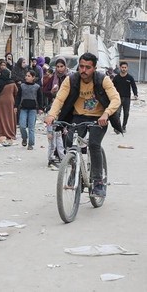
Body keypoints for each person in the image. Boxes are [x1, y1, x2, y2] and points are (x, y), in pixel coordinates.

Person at [45, 53, 121, 198]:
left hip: (99, 118)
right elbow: (60, 98)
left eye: (88, 67)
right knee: (71, 144)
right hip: (78, 117)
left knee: (93, 144)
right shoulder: (71, 79)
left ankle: (98, 181)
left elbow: (115, 99)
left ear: (94, 68)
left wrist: (107, 114)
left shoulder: (102, 79)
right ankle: (76, 174)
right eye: (81, 66)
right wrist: (52, 115)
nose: (84, 70)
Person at [16, 71, 43, 150]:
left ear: (33, 77)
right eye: (26, 75)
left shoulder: (37, 87)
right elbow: (18, 97)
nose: (26, 77)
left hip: (33, 109)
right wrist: (15, 106)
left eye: (29, 76)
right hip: (23, 108)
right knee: (22, 126)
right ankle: (24, 138)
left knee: (31, 127)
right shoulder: (22, 86)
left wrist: (40, 108)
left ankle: (31, 144)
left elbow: (40, 98)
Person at [111, 61, 138, 133]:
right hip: (118, 98)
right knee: (117, 113)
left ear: (127, 68)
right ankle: (117, 127)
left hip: (127, 98)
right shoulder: (116, 78)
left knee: (126, 113)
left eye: (125, 67)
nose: (124, 69)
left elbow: (134, 87)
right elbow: (112, 87)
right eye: (122, 67)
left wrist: (135, 94)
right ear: (120, 68)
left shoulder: (130, 77)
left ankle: (124, 126)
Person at [0, 69, 18, 143]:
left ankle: (1, 133)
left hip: (0, 102)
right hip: (10, 102)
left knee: (1, 118)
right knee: (10, 118)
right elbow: (16, 93)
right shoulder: (12, 83)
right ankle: (10, 133)